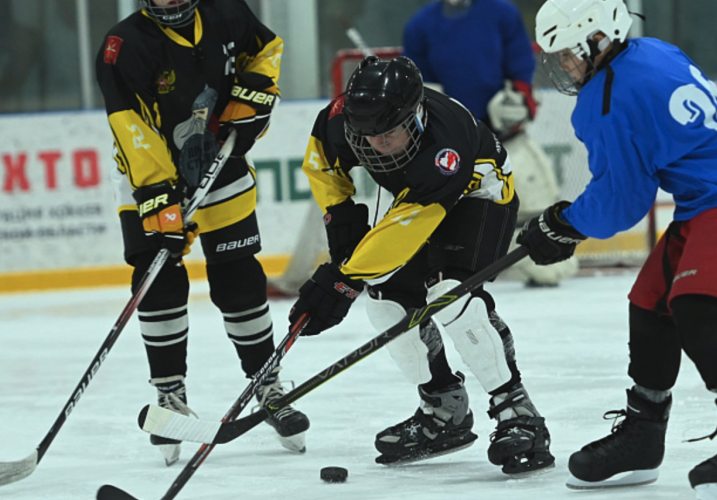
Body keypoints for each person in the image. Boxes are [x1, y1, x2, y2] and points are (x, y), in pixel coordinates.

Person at [519, 0, 717, 498]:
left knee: (698, 307)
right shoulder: (647, 51)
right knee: (650, 303)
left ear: (599, 38)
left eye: (568, 53)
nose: (562, 65)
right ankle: (644, 435)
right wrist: (566, 223)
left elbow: (622, 203)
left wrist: (562, 224)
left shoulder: (608, 97)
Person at [288, 55, 554, 475]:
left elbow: (410, 228)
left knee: (449, 296)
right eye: (368, 136)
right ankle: (442, 408)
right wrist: (341, 224)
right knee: (384, 300)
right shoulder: (341, 119)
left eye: (389, 134)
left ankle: (517, 413)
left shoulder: (445, 144)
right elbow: (323, 165)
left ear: (415, 115)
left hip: (478, 199)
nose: (379, 145)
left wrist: (342, 280)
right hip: (413, 202)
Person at [95, 0, 309, 465]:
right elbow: (131, 126)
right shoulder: (123, 46)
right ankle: (169, 396)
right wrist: (157, 198)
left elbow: (266, 48)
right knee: (159, 280)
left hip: (219, 160)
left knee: (239, 278)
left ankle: (265, 383)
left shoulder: (227, 13)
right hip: (145, 175)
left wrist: (254, 90)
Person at [403, 0, 578, 287]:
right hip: (450, 148)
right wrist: (426, 101)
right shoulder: (420, 25)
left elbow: (521, 66)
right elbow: (418, 80)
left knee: (547, 254)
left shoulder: (501, 12)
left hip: (505, 138)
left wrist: (520, 98)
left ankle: (534, 262)